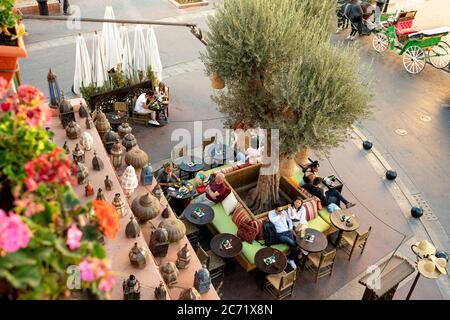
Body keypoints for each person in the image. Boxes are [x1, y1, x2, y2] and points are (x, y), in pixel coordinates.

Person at [269, 204, 298, 269]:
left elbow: (289, 220)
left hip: (288, 231)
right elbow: (272, 221)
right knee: (293, 243)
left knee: (294, 243)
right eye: (279, 211)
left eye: (282, 210)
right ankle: (291, 259)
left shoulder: (283, 212)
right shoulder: (271, 213)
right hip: (280, 235)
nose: (281, 211)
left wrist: (290, 228)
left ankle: (291, 259)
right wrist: (280, 215)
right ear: (275, 210)